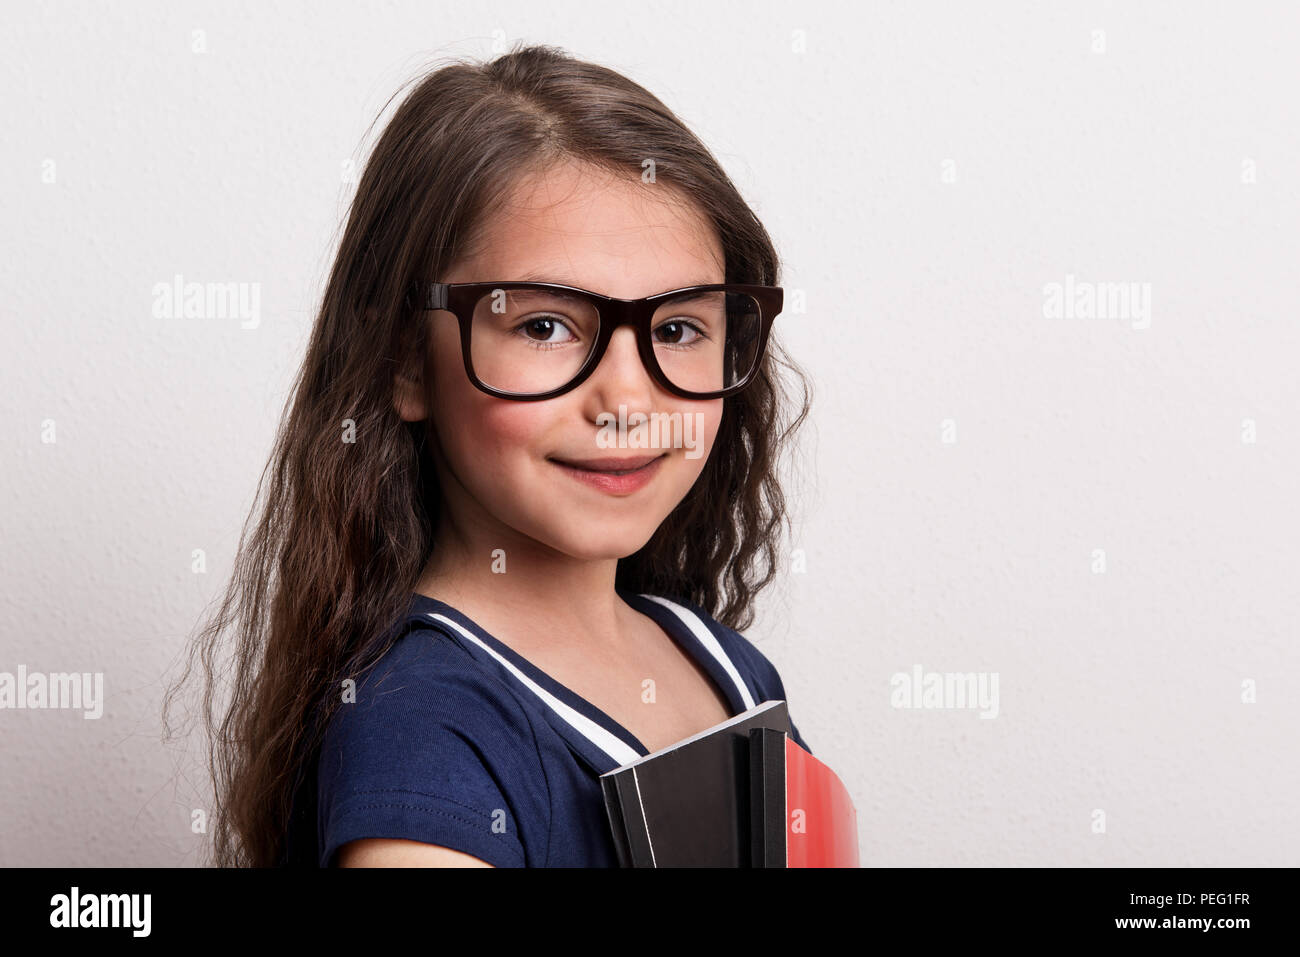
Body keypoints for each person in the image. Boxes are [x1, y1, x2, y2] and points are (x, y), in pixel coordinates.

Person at [165, 41, 813, 868]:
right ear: (405, 360)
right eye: (545, 326)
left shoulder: (727, 669)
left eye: (679, 329)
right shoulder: (423, 734)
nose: (626, 400)